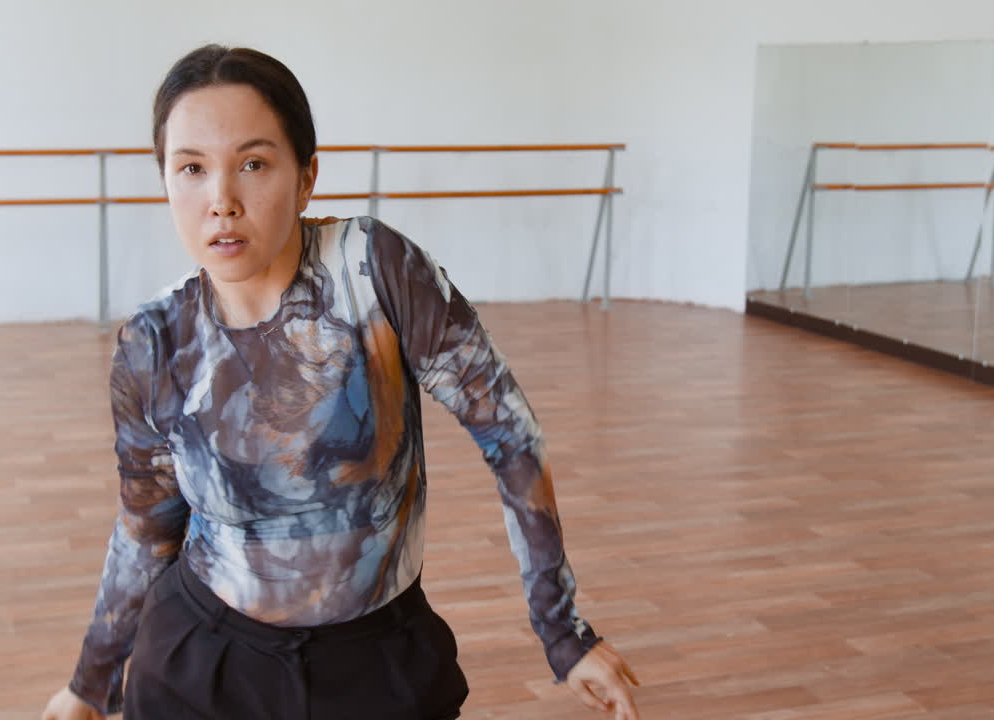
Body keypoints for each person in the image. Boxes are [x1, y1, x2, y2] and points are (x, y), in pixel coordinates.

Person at [42, 44, 640, 720]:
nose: (221, 201)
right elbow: (148, 526)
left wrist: (562, 632)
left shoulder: (374, 271)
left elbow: (510, 435)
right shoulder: (154, 341)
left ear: (306, 177)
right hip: (202, 668)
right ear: (166, 183)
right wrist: (91, 683)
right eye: (191, 169)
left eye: (253, 164)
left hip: (376, 665)